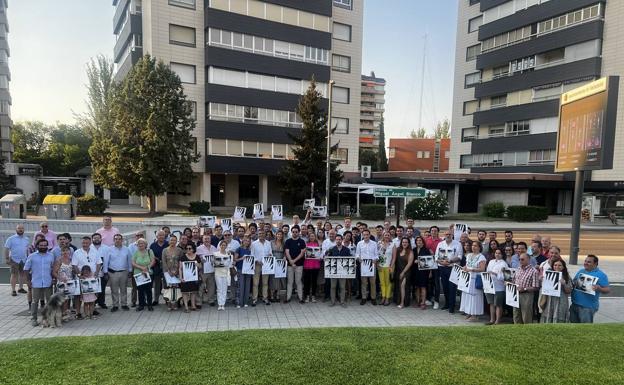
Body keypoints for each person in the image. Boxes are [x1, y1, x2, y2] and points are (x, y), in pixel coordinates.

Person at [570, 254, 610, 323]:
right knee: (574, 328)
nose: (585, 263)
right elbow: (574, 282)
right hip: (574, 304)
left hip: (587, 307)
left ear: (595, 264)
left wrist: (599, 288)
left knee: (585, 330)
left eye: (589, 262)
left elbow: (607, 290)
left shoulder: (601, 275)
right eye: (585, 261)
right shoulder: (581, 271)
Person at [24, 239, 54, 326]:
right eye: (41, 245)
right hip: (36, 282)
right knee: (35, 301)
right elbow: (26, 269)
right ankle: (34, 318)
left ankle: (49, 318)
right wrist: (28, 280)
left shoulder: (51, 256)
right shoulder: (32, 256)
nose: (43, 247)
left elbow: (52, 268)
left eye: (45, 245)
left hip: (48, 282)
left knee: (49, 301)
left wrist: (53, 279)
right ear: (37, 246)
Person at [72, 236, 102, 318]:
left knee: (93, 294)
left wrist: (96, 273)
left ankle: (92, 311)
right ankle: (78, 312)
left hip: (92, 277)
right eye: (83, 243)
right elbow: (74, 265)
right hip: (81, 278)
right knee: (79, 295)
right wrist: (79, 275)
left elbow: (99, 263)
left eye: (86, 243)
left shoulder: (95, 251)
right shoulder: (77, 252)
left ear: (90, 243)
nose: (84, 244)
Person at [435, 230, 462, 311]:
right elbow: (436, 257)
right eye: (446, 234)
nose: (448, 235)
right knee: (445, 287)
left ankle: (452, 306)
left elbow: (460, 256)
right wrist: (442, 262)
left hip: (453, 268)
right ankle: (446, 304)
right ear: (444, 235)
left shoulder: (458, 244)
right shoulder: (440, 244)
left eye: (449, 234)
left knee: (452, 287)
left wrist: (450, 261)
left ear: (452, 235)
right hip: (442, 268)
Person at [104, 234, 132, 312]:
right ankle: (115, 305)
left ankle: (124, 304)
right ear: (114, 240)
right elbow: (106, 261)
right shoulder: (109, 249)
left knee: (124, 289)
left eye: (119, 239)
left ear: (122, 240)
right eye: (116, 239)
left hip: (124, 272)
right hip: (113, 273)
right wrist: (105, 272)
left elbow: (129, 260)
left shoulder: (126, 249)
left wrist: (130, 271)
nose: (118, 240)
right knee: (114, 290)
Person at [460, 242, 487, 322]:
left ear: (479, 247)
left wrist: (472, 269)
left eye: (475, 246)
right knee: (467, 296)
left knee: (475, 296)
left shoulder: (481, 257)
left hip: (475, 279)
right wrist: (465, 267)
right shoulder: (469, 255)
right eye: (472, 245)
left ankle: (475, 314)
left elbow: (482, 269)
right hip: (467, 278)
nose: (473, 247)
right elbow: (467, 265)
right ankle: (469, 312)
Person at [540, 259, 572, 323]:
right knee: (548, 316)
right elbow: (543, 287)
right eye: (555, 265)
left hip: (561, 301)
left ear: (563, 267)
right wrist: (541, 280)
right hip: (549, 300)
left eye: (559, 265)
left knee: (559, 317)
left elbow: (569, 291)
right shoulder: (548, 275)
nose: (557, 267)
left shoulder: (566, 276)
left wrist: (564, 284)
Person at [512, 253, 539, 324]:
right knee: (516, 315)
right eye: (519, 259)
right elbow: (514, 281)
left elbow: (536, 287)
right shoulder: (518, 269)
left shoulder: (534, 271)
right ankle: (517, 333)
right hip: (516, 294)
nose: (520, 261)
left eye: (522, 259)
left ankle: (527, 332)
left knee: (526, 316)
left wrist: (524, 289)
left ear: (528, 259)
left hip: (527, 295)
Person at [4, 224, 30, 297]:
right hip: (14, 259)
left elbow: (27, 250)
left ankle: (20, 288)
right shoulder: (11, 239)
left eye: (22, 228)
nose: (20, 229)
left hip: (24, 259)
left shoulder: (26, 239)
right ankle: (13, 290)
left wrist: (28, 258)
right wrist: (6, 258)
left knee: (22, 274)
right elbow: (6, 249)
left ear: (24, 230)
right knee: (14, 274)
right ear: (16, 229)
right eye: (19, 228)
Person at [485, 249, 508, 325]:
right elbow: (487, 271)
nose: (497, 254)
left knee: (498, 304)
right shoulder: (491, 261)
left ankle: (497, 321)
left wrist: (495, 274)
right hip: (490, 285)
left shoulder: (504, 264)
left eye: (499, 253)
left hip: (499, 287)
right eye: (496, 253)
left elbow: (504, 277)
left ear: (502, 255)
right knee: (491, 303)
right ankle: (492, 319)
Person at [131, 238, 155, 312]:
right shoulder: (136, 252)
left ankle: (150, 305)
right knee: (140, 290)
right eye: (139, 244)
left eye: (142, 243)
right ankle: (141, 305)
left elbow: (153, 261)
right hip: (139, 274)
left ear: (145, 244)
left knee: (148, 290)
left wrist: (147, 267)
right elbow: (133, 263)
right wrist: (141, 268)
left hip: (148, 273)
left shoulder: (149, 251)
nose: (141, 245)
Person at [327, 234, 350, 307]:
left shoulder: (346, 249)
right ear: (335, 240)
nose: (338, 241)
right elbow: (327, 258)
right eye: (337, 239)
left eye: (339, 239)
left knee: (342, 287)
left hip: (343, 271)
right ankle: (332, 301)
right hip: (333, 271)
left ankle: (342, 302)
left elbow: (349, 259)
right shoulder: (331, 249)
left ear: (342, 240)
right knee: (333, 286)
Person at [356, 229, 378, 306]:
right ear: (362, 235)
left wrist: (375, 260)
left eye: (367, 234)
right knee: (364, 283)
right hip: (363, 265)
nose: (366, 236)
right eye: (364, 235)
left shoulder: (374, 244)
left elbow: (376, 255)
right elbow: (357, 254)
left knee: (372, 283)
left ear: (369, 235)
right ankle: (364, 298)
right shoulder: (359, 243)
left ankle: (373, 298)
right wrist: (359, 258)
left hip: (372, 265)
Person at [285, 225, 306, 304]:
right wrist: (291, 261)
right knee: (290, 282)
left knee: (298, 281)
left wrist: (294, 261)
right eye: (293, 232)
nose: (295, 233)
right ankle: (288, 298)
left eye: (296, 232)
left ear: (299, 232)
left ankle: (301, 298)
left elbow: (302, 253)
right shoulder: (288, 241)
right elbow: (287, 252)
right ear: (291, 232)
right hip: (290, 265)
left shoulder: (302, 241)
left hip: (299, 265)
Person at [251, 230, 273, 306]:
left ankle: (265, 298)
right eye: (259, 233)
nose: (261, 234)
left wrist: (270, 255)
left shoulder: (268, 243)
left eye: (263, 233)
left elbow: (270, 252)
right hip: (257, 265)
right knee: (255, 283)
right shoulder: (253, 244)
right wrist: (257, 261)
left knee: (265, 283)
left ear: (265, 234)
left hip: (266, 265)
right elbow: (252, 254)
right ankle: (254, 299)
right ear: (257, 234)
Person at [161, 235, 183, 311]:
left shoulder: (179, 250)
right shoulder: (164, 250)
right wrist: (169, 271)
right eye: (171, 240)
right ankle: (169, 304)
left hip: (177, 272)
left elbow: (181, 261)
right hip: (167, 272)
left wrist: (177, 271)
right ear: (168, 241)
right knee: (169, 289)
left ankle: (176, 303)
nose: (172, 242)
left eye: (174, 240)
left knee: (176, 289)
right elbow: (163, 261)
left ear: (176, 241)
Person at [52, 246, 75, 318]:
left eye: (67, 250)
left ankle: (65, 314)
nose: (65, 252)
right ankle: (59, 314)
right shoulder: (59, 260)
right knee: (61, 300)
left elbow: (73, 271)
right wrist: (60, 278)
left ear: (69, 252)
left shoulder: (71, 260)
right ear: (61, 252)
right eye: (63, 251)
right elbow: (54, 272)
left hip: (69, 283)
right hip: (61, 283)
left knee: (67, 299)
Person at [392, 237, 414, 309]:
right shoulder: (398, 250)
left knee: (402, 286)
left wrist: (403, 272)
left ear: (408, 243)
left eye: (406, 242)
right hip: (398, 271)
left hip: (406, 271)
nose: (404, 243)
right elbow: (394, 259)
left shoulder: (410, 251)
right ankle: (398, 301)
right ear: (401, 243)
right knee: (398, 286)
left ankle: (402, 303)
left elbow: (409, 264)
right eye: (403, 242)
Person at [179, 242, 201, 312]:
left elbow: (200, 267)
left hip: (194, 278)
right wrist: (180, 277)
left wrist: (198, 265)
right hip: (185, 278)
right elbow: (180, 268)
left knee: (194, 292)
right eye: (187, 248)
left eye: (189, 248)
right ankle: (186, 307)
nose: (188, 250)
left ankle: (193, 305)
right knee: (185, 292)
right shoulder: (183, 257)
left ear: (193, 249)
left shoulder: (197, 257)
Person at [197, 235, 217, 306]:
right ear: (202, 240)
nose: (207, 240)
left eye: (208, 239)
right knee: (201, 286)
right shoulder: (199, 248)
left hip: (211, 270)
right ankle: (199, 302)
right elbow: (196, 259)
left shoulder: (214, 248)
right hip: (203, 270)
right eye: (205, 239)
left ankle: (211, 300)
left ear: (210, 240)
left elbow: (217, 257)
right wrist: (200, 260)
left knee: (211, 286)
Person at [150, 231, 169, 306]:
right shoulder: (153, 245)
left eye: (163, 235)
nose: (161, 237)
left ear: (165, 236)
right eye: (159, 235)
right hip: (156, 266)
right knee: (157, 284)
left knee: (166, 284)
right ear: (156, 236)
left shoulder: (167, 244)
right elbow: (151, 255)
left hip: (166, 267)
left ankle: (167, 299)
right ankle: (156, 299)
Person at [91, 233, 109, 310]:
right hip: (92, 273)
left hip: (102, 272)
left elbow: (107, 261)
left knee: (102, 288)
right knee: (93, 289)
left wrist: (106, 272)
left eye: (98, 238)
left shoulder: (106, 248)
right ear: (92, 239)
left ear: (101, 239)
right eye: (95, 238)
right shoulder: (89, 248)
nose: (96, 239)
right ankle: (93, 303)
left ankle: (101, 303)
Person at [412, 236, 431, 309]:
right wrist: (414, 261)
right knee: (417, 287)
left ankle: (423, 302)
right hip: (415, 271)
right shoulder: (414, 250)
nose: (418, 242)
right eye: (417, 241)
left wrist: (430, 272)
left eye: (420, 240)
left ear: (422, 241)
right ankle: (418, 302)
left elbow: (429, 262)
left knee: (423, 287)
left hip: (424, 272)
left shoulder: (426, 250)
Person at [213, 240, 232, 310]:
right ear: (220, 246)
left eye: (224, 245)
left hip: (226, 273)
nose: (223, 246)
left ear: (226, 246)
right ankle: (219, 304)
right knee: (219, 289)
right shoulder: (215, 254)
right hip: (218, 273)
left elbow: (230, 264)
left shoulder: (228, 254)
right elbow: (214, 263)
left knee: (224, 289)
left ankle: (223, 304)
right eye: (222, 245)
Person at [303, 232, 321, 303]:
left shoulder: (318, 245)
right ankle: (307, 296)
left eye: (313, 236)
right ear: (309, 237)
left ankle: (313, 296)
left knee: (314, 282)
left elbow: (320, 254)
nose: (312, 237)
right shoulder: (306, 245)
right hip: (307, 265)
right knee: (307, 282)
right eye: (310, 236)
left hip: (316, 265)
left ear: (315, 237)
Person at [234, 236, 252, 308]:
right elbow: (235, 260)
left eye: (248, 241)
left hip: (248, 270)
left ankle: (245, 302)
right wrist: (242, 258)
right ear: (243, 241)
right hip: (240, 269)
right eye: (245, 241)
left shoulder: (250, 250)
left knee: (247, 286)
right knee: (240, 286)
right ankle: (239, 302)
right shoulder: (239, 249)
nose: (247, 242)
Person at [377, 231, 394, 306]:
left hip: (389, 266)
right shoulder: (379, 244)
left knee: (388, 283)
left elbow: (394, 257)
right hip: (380, 266)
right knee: (382, 283)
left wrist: (391, 266)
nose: (387, 236)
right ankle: (383, 297)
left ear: (390, 236)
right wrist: (377, 264)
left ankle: (387, 298)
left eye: (388, 235)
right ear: (383, 236)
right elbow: (376, 255)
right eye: (385, 235)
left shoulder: (393, 245)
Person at [271, 230, 286, 302]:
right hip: (273, 262)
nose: (279, 236)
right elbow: (269, 251)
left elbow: (286, 252)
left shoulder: (284, 243)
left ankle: (278, 295)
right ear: (276, 235)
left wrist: (285, 257)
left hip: (280, 262)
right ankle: (272, 295)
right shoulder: (271, 242)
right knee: (273, 279)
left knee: (279, 278)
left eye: (281, 234)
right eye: (278, 234)